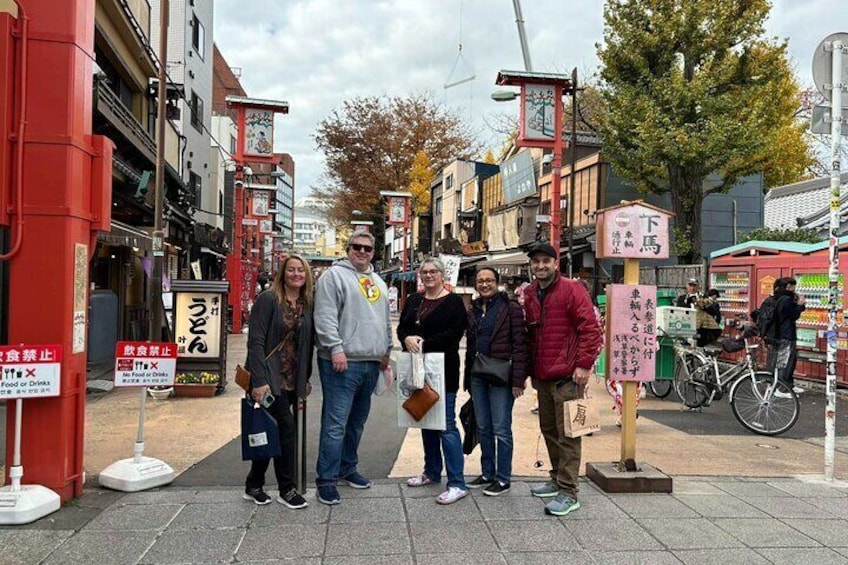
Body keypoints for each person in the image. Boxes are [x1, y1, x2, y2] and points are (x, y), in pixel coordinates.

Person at [522, 243, 603, 517]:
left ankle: (569, 492)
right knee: (549, 430)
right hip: (543, 375)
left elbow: (590, 329)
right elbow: (532, 335)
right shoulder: (531, 293)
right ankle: (556, 478)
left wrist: (583, 364)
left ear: (556, 263)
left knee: (569, 434)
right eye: (536, 262)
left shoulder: (572, 289)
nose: (541, 266)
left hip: (568, 376)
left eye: (546, 261)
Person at [313, 231, 392, 505]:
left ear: (373, 252)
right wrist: (335, 347)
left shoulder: (378, 281)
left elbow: (384, 320)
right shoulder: (333, 276)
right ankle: (326, 478)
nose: (362, 251)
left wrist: (386, 352)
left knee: (356, 423)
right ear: (348, 249)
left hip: (371, 362)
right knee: (335, 424)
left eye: (367, 248)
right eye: (356, 247)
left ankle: (348, 468)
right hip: (342, 362)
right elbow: (324, 316)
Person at [243, 254, 314, 509]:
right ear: (282, 273)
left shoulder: (307, 303)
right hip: (270, 378)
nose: (296, 274)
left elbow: (308, 344)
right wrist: (259, 381)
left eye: (301, 271)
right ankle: (287, 488)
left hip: (293, 379)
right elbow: (256, 341)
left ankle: (254, 483)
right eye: (291, 270)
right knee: (286, 429)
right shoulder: (268, 299)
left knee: (270, 431)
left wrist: (305, 378)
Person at [398, 257, 469, 504]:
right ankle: (431, 471)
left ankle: (457, 482)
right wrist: (406, 338)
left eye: (433, 272)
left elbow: (454, 334)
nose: (428, 275)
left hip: (443, 370)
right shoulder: (414, 300)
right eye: (425, 272)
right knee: (425, 420)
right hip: (417, 371)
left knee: (445, 424)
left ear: (442, 275)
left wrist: (424, 343)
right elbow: (402, 328)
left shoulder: (454, 303)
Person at [464, 267, 527, 496]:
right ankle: (487, 472)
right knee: (483, 427)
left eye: (489, 280)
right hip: (478, 375)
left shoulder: (510, 308)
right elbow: (471, 347)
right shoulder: (474, 309)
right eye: (480, 281)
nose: (484, 284)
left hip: (502, 376)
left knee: (501, 428)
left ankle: (503, 478)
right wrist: (467, 378)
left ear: (497, 282)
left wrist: (518, 380)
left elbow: (520, 345)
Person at [770, 277, 806, 397]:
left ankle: (789, 385)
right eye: (793, 286)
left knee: (788, 360)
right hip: (786, 334)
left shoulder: (777, 297)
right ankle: (782, 388)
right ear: (788, 287)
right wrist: (800, 305)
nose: (795, 288)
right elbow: (793, 315)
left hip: (778, 334)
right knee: (786, 362)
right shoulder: (786, 300)